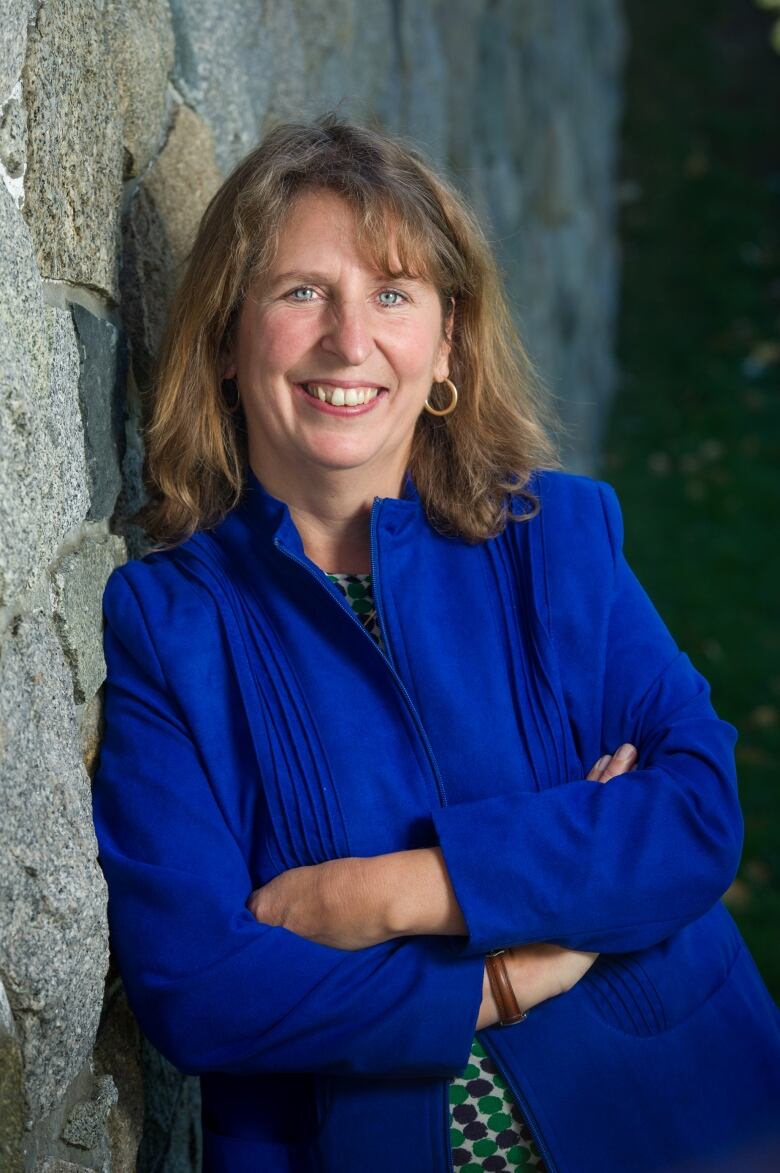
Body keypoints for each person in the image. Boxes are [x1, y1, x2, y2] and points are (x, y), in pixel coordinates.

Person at [91, 113, 780, 1173]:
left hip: (681, 1112)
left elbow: (692, 813)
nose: (349, 340)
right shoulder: (169, 625)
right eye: (302, 292)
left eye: (395, 294)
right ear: (229, 339)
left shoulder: (558, 539)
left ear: (448, 341)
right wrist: (517, 967)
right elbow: (200, 984)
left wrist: (377, 897)